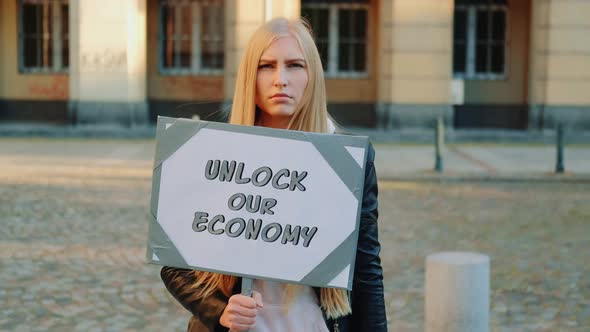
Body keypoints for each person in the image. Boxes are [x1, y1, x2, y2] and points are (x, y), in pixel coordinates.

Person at [160, 17, 387, 332]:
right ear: (249, 77)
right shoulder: (214, 150)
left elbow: (365, 268)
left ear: (313, 75)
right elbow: (174, 262)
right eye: (266, 66)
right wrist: (218, 310)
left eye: (295, 65)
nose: (280, 79)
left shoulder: (346, 160)